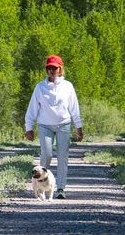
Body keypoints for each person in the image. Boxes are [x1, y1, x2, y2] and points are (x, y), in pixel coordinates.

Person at [24, 54, 83, 200]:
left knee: (62, 157)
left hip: (64, 124)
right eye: (49, 68)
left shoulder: (67, 86)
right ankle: (41, 186)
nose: (52, 70)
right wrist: (29, 128)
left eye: (54, 68)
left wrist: (78, 127)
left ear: (60, 69)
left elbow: (74, 107)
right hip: (45, 125)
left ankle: (61, 188)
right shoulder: (40, 87)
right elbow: (32, 108)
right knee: (47, 155)